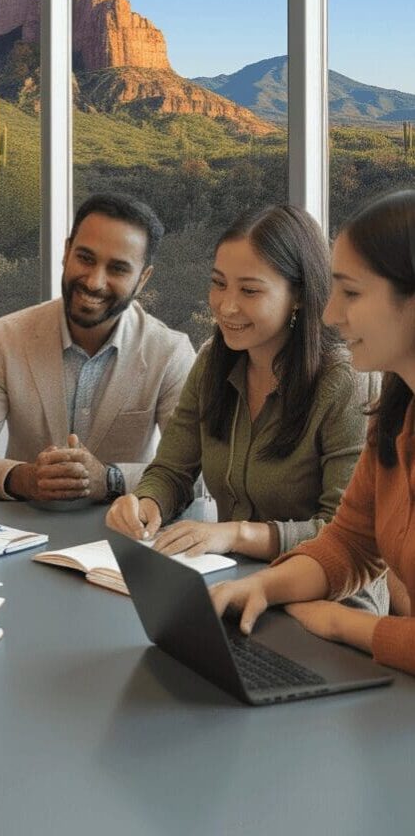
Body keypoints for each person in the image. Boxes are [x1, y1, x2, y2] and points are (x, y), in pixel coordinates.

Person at [106, 205, 386, 620]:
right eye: (218, 284)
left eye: (249, 291)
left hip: (330, 607)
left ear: (299, 295)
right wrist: (147, 503)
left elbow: (342, 535)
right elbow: (172, 471)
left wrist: (236, 534)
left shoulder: (344, 381)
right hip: (230, 586)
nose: (226, 306)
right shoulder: (212, 360)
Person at [210, 189, 415, 673]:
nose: (328, 314)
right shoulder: (394, 411)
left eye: (352, 292)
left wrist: (344, 625)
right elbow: (350, 543)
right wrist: (262, 587)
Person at [0, 192, 195, 503]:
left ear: (143, 280)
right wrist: (26, 478)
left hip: (126, 533)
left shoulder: (171, 353)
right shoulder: (1, 338)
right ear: (66, 252)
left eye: (117, 269)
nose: (94, 281)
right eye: (85, 258)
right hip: (23, 530)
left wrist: (110, 479)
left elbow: (193, 473)